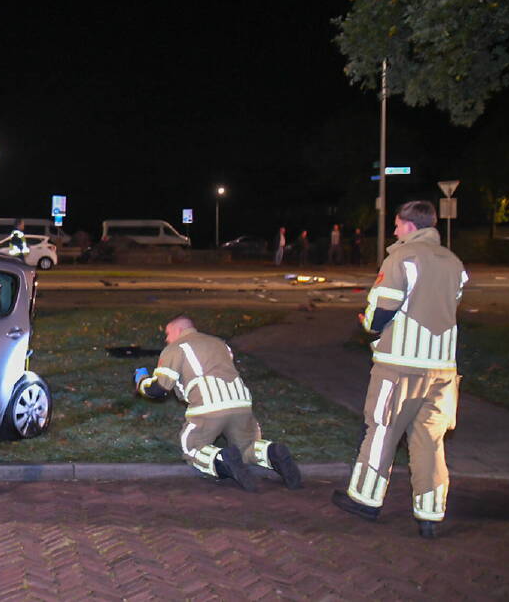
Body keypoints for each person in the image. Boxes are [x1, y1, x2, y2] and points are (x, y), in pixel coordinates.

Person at [331, 201, 468, 539]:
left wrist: (368, 326)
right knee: (430, 442)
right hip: (443, 371)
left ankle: (365, 499)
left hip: (400, 367)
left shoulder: (402, 258)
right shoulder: (454, 263)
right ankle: (430, 514)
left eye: (396, 224)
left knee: (381, 430)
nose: (393, 231)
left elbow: (382, 308)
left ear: (409, 225)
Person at [134, 315, 302, 492]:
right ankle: (273, 452)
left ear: (179, 331)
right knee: (247, 447)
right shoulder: (220, 343)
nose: (166, 339)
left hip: (208, 406)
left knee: (192, 447)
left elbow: (159, 389)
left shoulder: (175, 348)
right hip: (241, 402)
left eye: (168, 334)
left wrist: (141, 380)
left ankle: (222, 459)